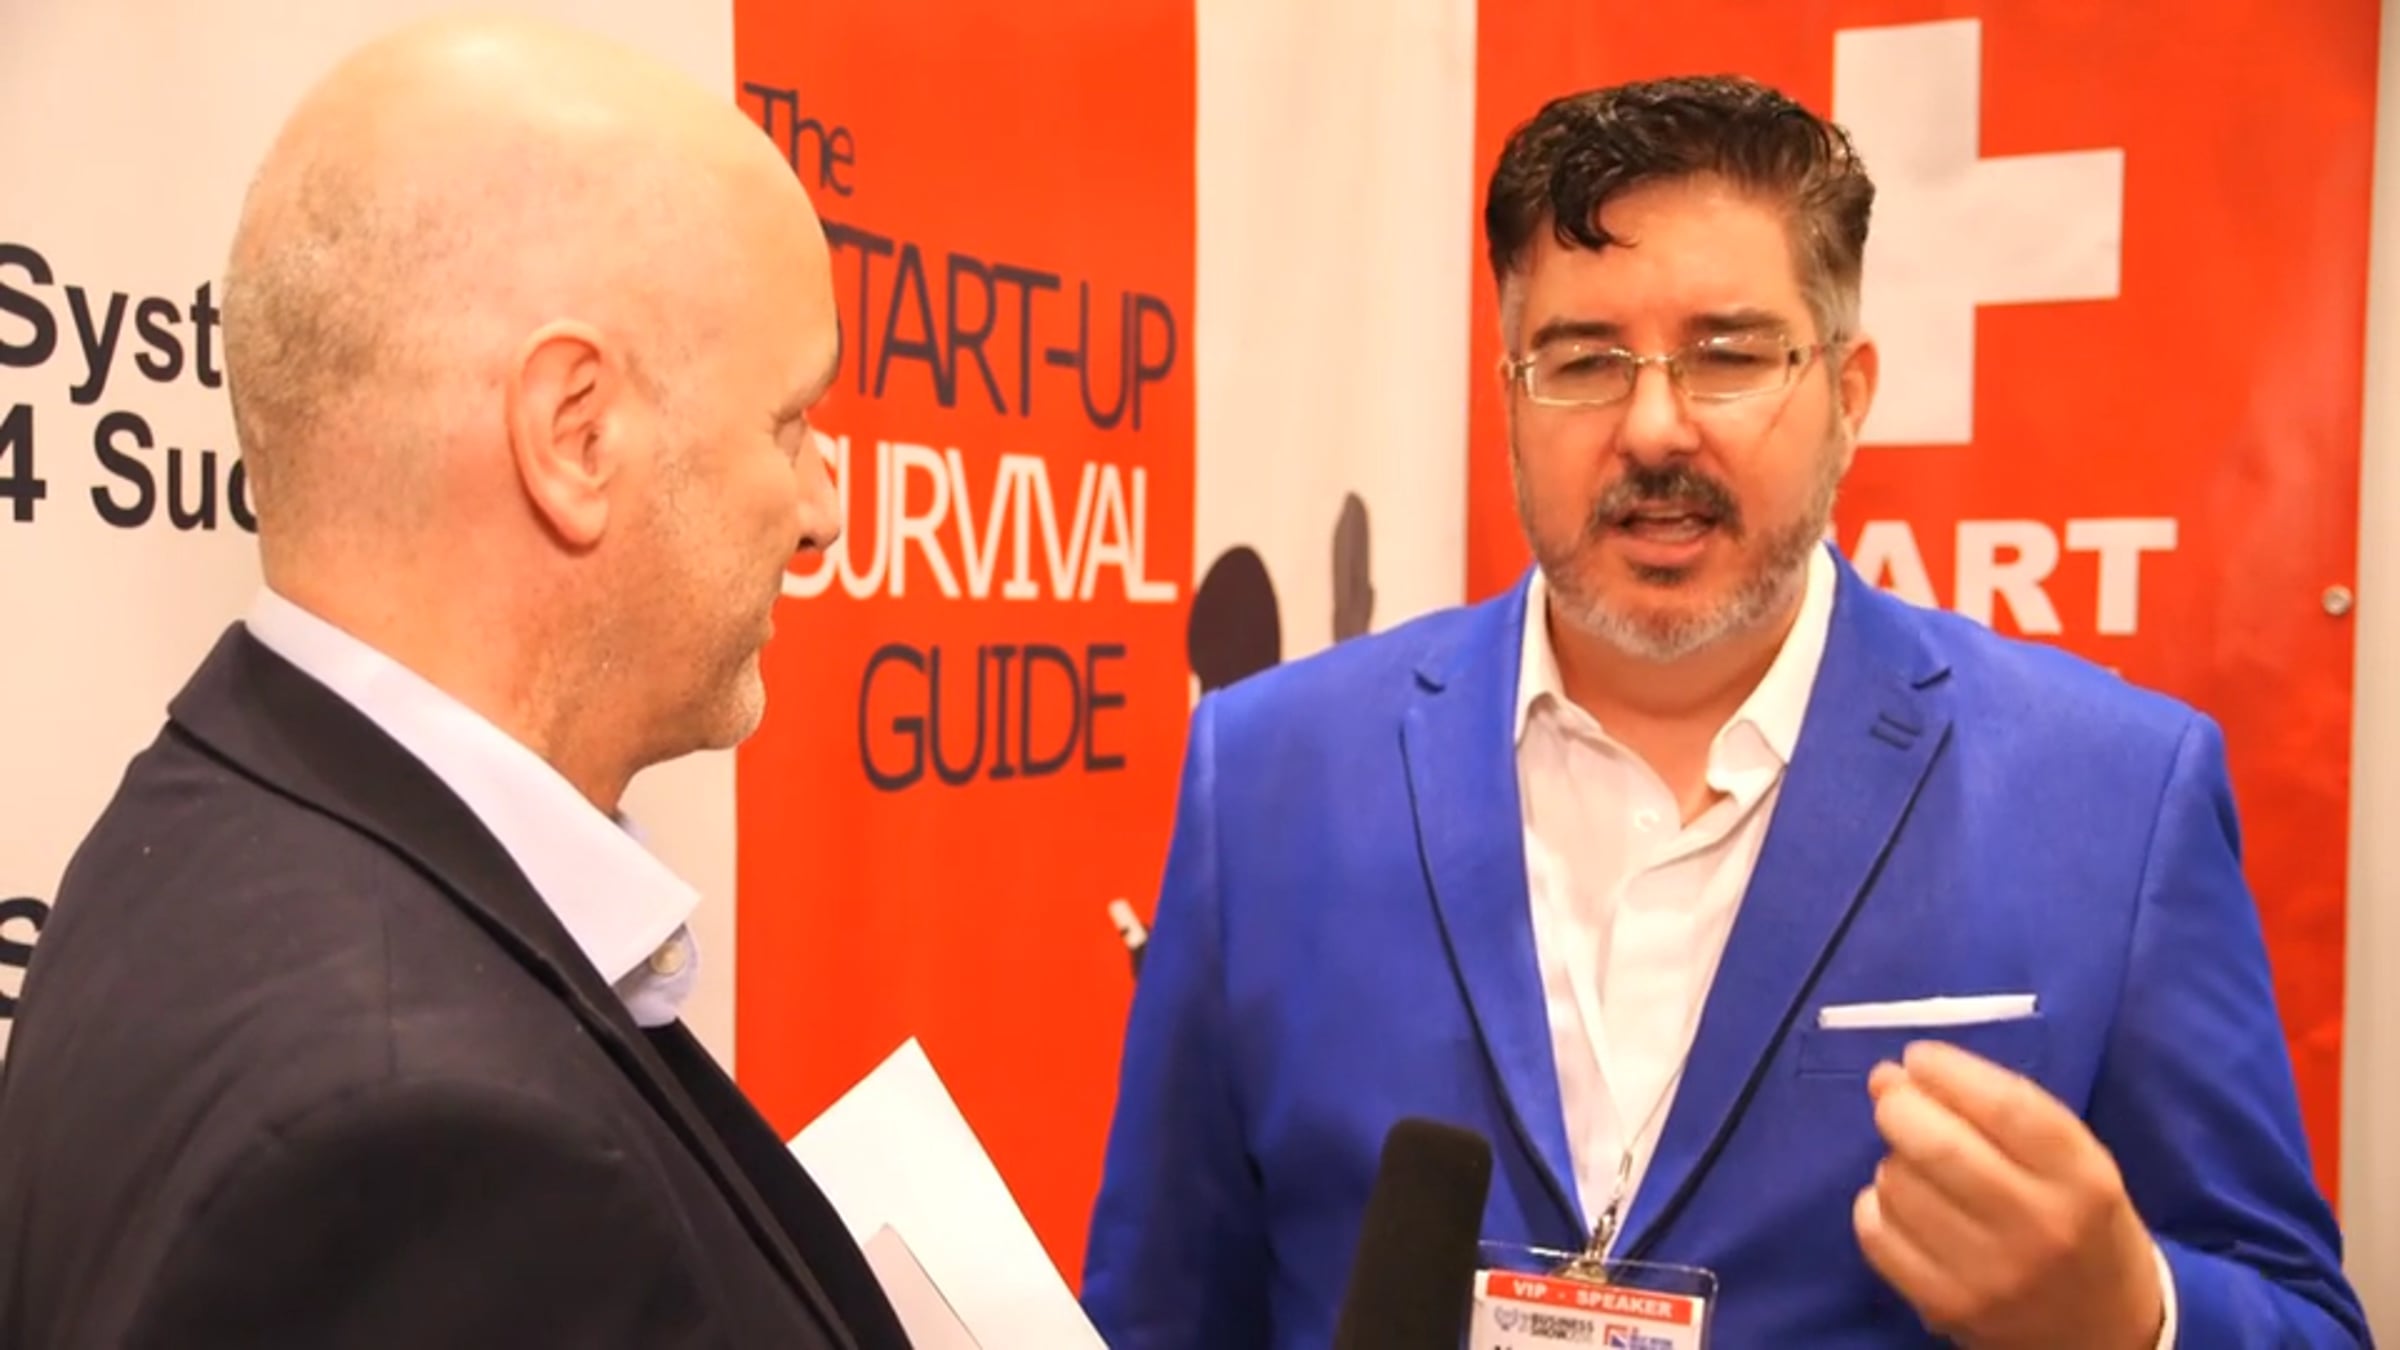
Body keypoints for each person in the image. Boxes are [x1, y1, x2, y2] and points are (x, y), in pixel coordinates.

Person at [1083, 74, 2366, 1348]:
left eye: (1730, 355)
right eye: (1584, 362)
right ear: (1511, 395)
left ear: (1849, 394)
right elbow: (1161, 1311)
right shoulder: (1268, 777)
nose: (1654, 428)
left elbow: (2304, 1317)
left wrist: (2135, 1314)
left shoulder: (2116, 797)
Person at [0, 15, 910, 1347]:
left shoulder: (207, 824)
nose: (822, 512)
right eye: (791, 424)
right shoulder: (428, 1149)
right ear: (576, 436)